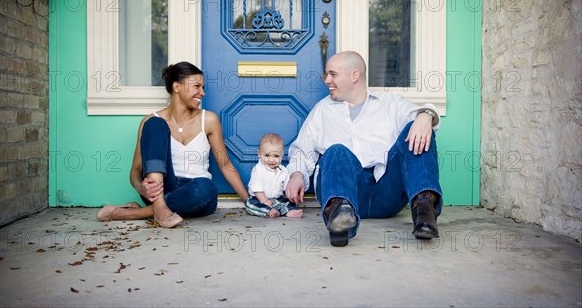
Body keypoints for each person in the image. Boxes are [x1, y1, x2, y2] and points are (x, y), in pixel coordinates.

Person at [285, 51, 442, 246]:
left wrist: (425, 115)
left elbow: (423, 117)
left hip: (387, 191)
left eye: (333, 74)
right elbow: (302, 149)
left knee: (417, 128)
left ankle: (425, 212)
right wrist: (297, 174)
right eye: (327, 74)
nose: (327, 80)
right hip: (347, 191)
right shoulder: (322, 110)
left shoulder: (389, 103)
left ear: (354, 76)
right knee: (335, 151)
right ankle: (340, 221)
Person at [97, 62, 249, 227]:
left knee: (208, 188)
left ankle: (137, 213)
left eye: (203, 87)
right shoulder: (150, 121)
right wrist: (141, 188)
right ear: (177, 87)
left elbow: (225, 164)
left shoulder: (209, 120)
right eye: (197, 86)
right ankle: (159, 205)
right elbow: (135, 171)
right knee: (155, 123)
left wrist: (249, 201)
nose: (202, 92)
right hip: (160, 188)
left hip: (196, 190)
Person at [245, 133, 303, 219]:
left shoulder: (283, 170)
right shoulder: (257, 170)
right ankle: (269, 211)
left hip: (277, 199)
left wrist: (291, 196)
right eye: (267, 155)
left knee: (288, 203)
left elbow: (286, 187)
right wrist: (265, 201)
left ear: (282, 156)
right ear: (259, 154)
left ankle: (289, 211)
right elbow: (257, 189)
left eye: (276, 156)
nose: (271, 160)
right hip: (259, 198)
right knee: (250, 205)